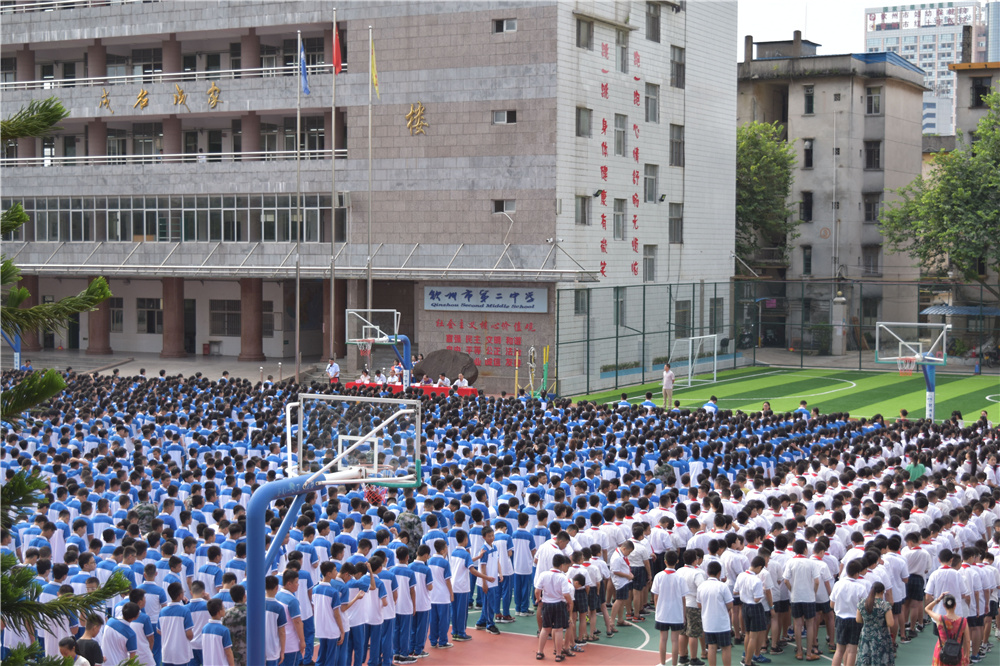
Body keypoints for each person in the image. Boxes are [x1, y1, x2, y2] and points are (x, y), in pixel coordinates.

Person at [697, 561, 734, 666]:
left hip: (708, 623)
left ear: (707, 572)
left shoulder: (701, 586)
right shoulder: (722, 586)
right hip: (722, 623)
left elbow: (699, 605)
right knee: (726, 648)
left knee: (711, 647)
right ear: (719, 573)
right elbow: (730, 604)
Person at [925, 593, 972, 666]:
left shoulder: (940, 619)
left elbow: (927, 609)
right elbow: (967, 641)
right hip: (956, 652)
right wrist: (967, 655)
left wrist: (938, 600)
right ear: (955, 605)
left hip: (942, 651)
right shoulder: (963, 621)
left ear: (944, 606)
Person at [856, 582, 895, 666]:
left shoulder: (862, 603)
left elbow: (858, 620)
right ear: (882, 592)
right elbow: (890, 623)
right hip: (881, 636)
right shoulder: (884, 605)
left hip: (866, 635)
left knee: (866, 658)